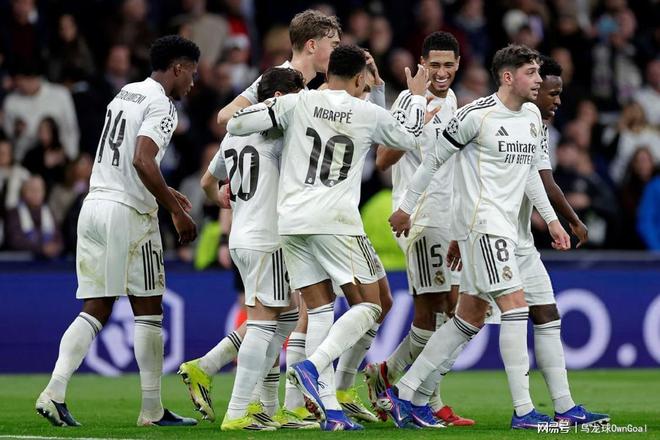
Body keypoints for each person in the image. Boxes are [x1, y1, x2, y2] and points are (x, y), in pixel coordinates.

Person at [227, 44, 429, 431]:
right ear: (359, 78)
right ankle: (314, 367)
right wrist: (416, 97)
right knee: (371, 306)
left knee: (320, 310)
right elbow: (407, 138)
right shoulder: (366, 112)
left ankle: (328, 407)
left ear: (327, 73)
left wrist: (272, 122)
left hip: (291, 221)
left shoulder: (297, 102)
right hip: (335, 221)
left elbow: (236, 124)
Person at [384, 44, 571, 429]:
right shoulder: (475, 115)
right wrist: (406, 206)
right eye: (532, 73)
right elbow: (435, 160)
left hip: (509, 234)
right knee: (515, 309)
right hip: (484, 226)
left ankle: (405, 392)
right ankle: (524, 411)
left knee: (466, 319)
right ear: (508, 77)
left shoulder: (531, 116)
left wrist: (552, 220)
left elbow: (530, 172)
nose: (539, 80)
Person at [35, 35, 200, 428]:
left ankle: (57, 392)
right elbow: (143, 159)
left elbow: (126, 157)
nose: (192, 83)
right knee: (144, 309)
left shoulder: (126, 92)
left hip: (95, 204)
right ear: (177, 68)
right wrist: (175, 210)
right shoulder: (163, 104)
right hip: (128, 214)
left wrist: (164, 189)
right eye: (191, 73)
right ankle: (148, 409)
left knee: (104, 307)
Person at [179, 67, 318, 431]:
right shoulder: (281, 132)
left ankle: (257, 401)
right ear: (279, 98)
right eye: (299, 93)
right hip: (266, 237)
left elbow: (207, 182)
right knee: (262, 323)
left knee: (286, 317)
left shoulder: (235, 133)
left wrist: (223, 198)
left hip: (242, 235)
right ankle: (239, 410)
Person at [368, 31, 473, 427]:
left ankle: (389, 375)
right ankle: (423, 399)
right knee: (440, 308)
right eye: (435, 65)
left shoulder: (455, 102)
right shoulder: (408, 100)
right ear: (423, 64)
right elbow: (382, 159)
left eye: (449, 65)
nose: (441, 72)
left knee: (446, 312)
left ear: (457, 65)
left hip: (450, 218)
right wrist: (416, 119)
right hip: (420, 217)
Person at [508, 55, 609, 426]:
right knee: (463, 323)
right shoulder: (503, 119)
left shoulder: (536, 126)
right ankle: (408, 389)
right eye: (551, 92)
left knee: (547, 313)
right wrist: (569, 221)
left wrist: (559, 221)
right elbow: (545, 181)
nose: (557, 100)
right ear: (531, 88)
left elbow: (538, 178)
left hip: (520, 240)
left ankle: (564, 406)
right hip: (491, 234)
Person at [216, 9, 341, 126]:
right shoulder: (274, 78)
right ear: (312, 46)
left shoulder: (306, 93)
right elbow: (224, 115)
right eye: (334, 46)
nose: (337, 52)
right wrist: (272, 113)